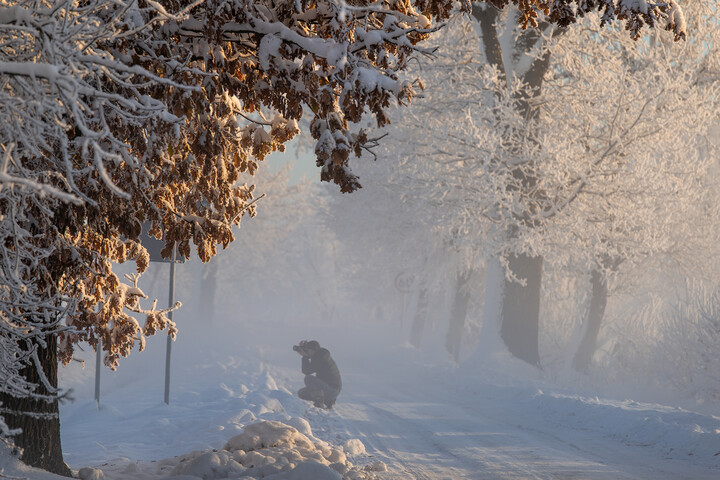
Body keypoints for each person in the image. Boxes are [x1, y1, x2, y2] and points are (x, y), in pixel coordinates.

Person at [294, 340, 342, 409]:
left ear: (314, 350)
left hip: (332, 390)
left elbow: (307, 371)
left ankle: (319, 404)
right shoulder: (320, 355)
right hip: (328, 388)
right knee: (301, 393)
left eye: (308, 350)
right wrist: (305, 351)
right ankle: (327, 401)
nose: (307, 352)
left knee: (308, 379)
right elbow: (306, 370)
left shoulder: (321, 358)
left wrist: (305, 356)